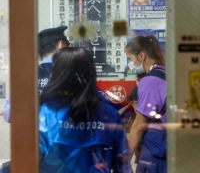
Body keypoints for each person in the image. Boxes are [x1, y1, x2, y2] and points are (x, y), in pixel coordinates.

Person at [39, 47, 132, 173]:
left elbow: (31, 160)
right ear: (90, 73)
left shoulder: (46, 113)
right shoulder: (109, 114)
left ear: (57, 73)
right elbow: (122, 165)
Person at [1, 26, 69, 122]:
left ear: (39, 56)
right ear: (61, 45)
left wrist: (6, 112)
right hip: (61, 134)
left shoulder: (26, 76)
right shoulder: (72, 74)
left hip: (33, 135)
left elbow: (10, 113)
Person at [125, 35, 166, 173]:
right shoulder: (165, 73)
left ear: (141, 56)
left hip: (156, 152)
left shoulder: (150, 81)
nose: (129, 64)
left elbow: (138, 126)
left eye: (130, 59)